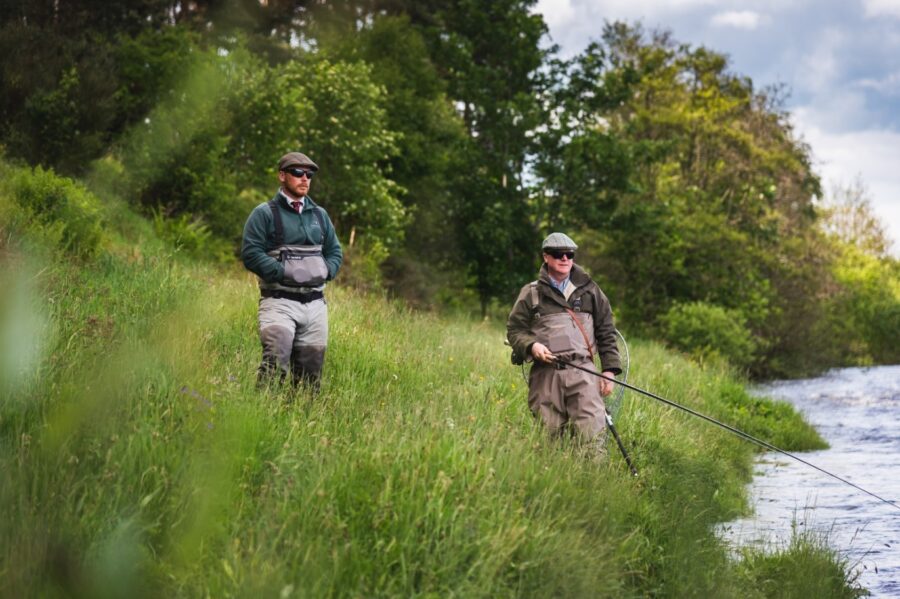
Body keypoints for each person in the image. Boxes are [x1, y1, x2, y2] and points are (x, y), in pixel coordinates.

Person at [506, 232, 621, 456]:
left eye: (569, 254)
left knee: (592, 438)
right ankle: (556, 483)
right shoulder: (531, 293)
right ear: (546, 257)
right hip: (545, 375)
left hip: (585, 373)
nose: (565, 258)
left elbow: (607, 330)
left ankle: (595, 485)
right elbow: (515, 330)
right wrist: (532, 347)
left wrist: (608, 370)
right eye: (559, 254)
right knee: (548, 440)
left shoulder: (590, 290)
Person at [241, 151, 343, 391]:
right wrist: (282, 271)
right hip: (279, 302)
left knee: (310, 377)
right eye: (297, 172)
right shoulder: (264, 213)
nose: (304, 178)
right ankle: (261, 416)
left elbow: (335, 251)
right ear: (282, 176)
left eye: (308, 174)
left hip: (316, 305)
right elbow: (251, 253)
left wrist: (325, 271)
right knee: (275, 361)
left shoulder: (320, 215)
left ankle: (302, 423)